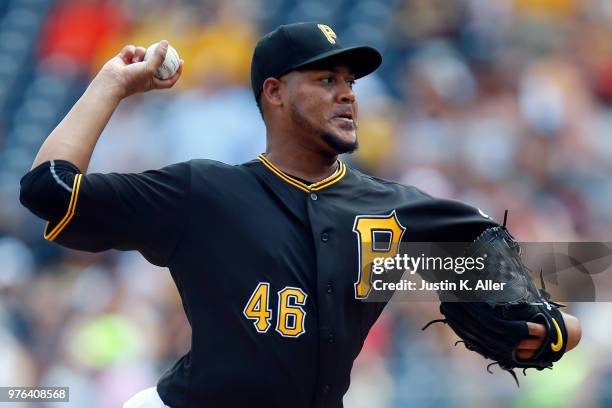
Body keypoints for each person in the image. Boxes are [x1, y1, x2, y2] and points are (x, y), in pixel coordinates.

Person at [20, 22, 581, 408]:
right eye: (325, 79)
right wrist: (112, 83)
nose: (347, 95)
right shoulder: (205, 193)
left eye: (350, 82)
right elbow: (47, 190)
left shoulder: (398, 210)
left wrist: (553, 326)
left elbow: (572, 292)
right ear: (275, 92)